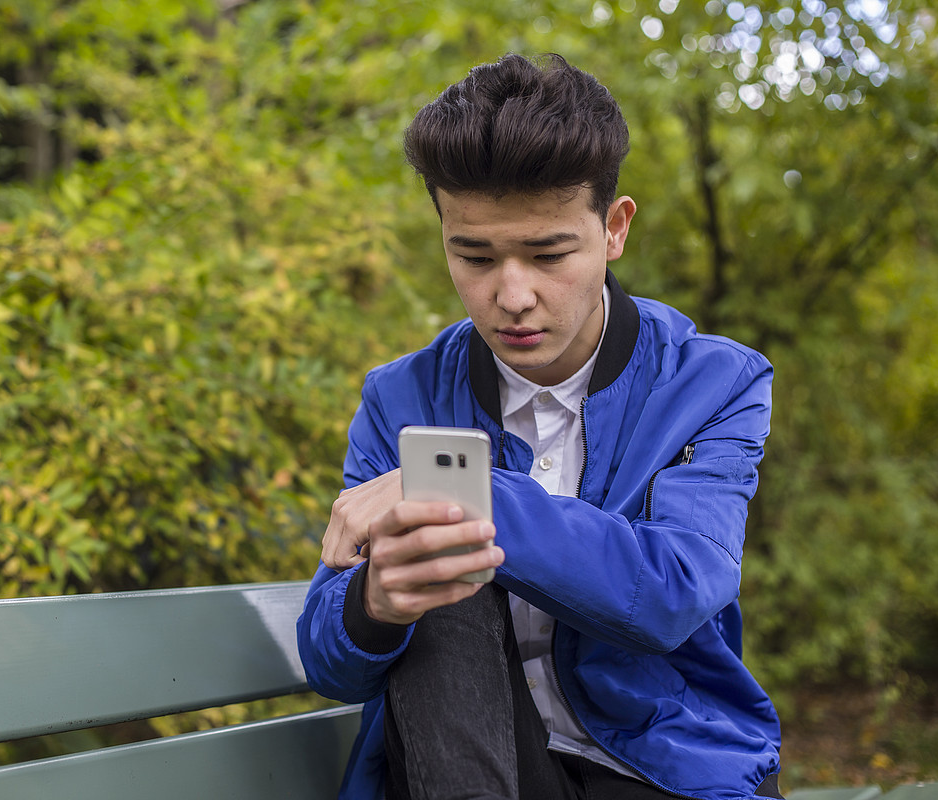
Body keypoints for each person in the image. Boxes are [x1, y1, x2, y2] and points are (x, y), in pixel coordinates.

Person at [296, 53, 782, 800]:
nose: (512, 295)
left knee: (446, 513)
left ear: (614, 231)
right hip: (469, 763)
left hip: (657, 766)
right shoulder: (402, 397)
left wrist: (471, 495)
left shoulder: (714, 383)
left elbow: (675, 593)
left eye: (549, 253)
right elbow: (331, 662)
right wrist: (373, 603)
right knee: (436, 569)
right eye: (475, 256)